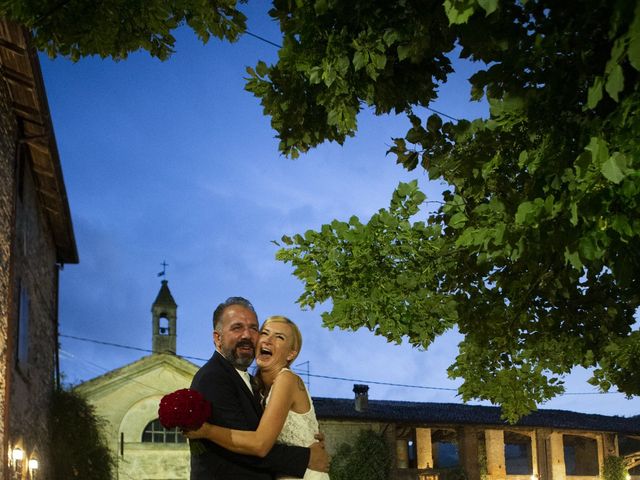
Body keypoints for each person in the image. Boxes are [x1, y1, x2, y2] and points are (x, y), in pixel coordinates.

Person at [189, 297, 329, 479]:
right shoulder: (214, 377)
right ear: (218, 338)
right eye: (237, 327)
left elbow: (257, 441)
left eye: (254, 328)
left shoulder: (282, 380)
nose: (247, 335)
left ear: (292, 353)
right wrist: (306, 456)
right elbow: (251, 448)